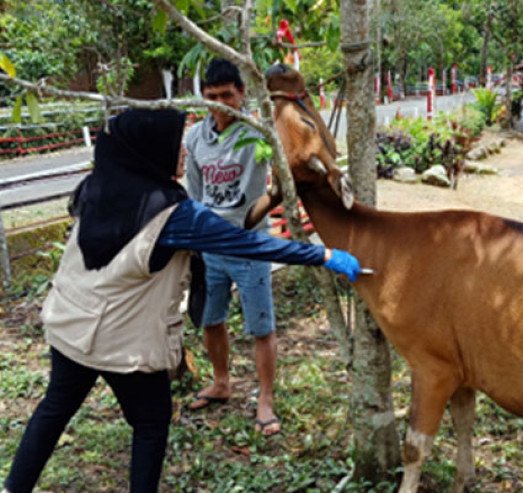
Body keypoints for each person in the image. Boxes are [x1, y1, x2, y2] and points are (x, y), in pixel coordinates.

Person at [1, 108, 361, 493]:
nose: (186, 153)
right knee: (151, 423)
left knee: (54, 409)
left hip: (69, 326)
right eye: (177, 145)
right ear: (153, 151)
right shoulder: (174, 215)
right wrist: (322, 255)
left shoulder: (97, 187)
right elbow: (246, 242)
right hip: (123, 347)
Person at [182, 58, 285, 436]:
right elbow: (193, 192)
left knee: (261, 326)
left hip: (252, 244)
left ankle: (265, 399)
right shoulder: (195, 138)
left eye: (228, 95)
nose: (220, 103)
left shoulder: (259, 133)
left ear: (242, 93)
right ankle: (222, 381)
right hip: (211, 245)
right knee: (211, 319)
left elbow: (283, 170)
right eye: (212, 97)